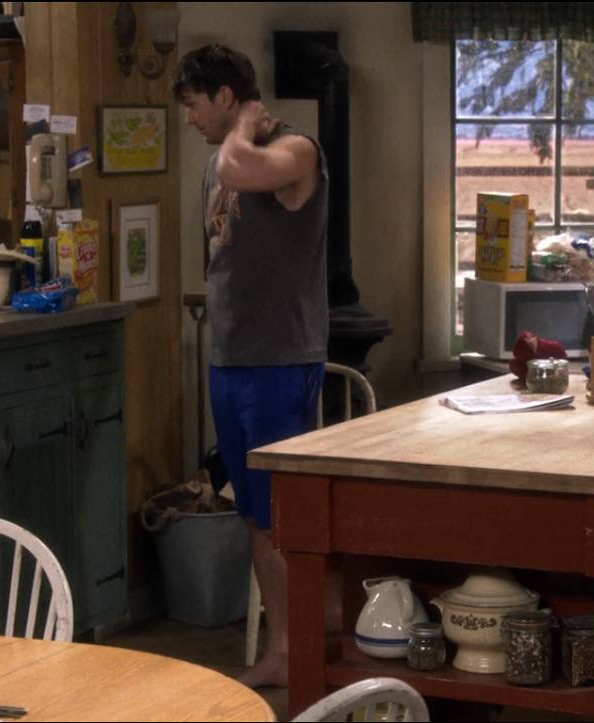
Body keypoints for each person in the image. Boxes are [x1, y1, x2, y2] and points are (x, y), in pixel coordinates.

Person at [173, 44, 328, 688]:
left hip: (279, 360)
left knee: (282, 518)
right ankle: (284, 652)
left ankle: (307, 656)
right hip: (231, 359)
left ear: (226, 96)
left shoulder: (296, 150)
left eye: (194, 105)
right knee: (255, 518)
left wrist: (241, 127)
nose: (189, 119)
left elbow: (239, 168)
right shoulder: (223, 158)